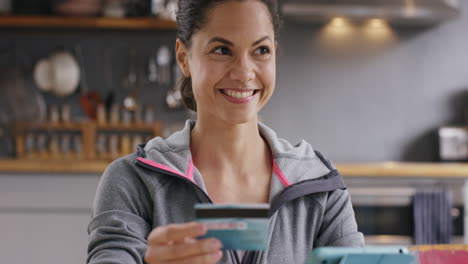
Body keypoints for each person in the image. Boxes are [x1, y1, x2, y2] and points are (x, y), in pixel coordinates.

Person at [87, 0, 364, 263]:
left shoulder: (320, 185)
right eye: (222, 50)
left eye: (261, 50)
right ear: (184, 58)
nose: (244, 73)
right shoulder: (132, 180)